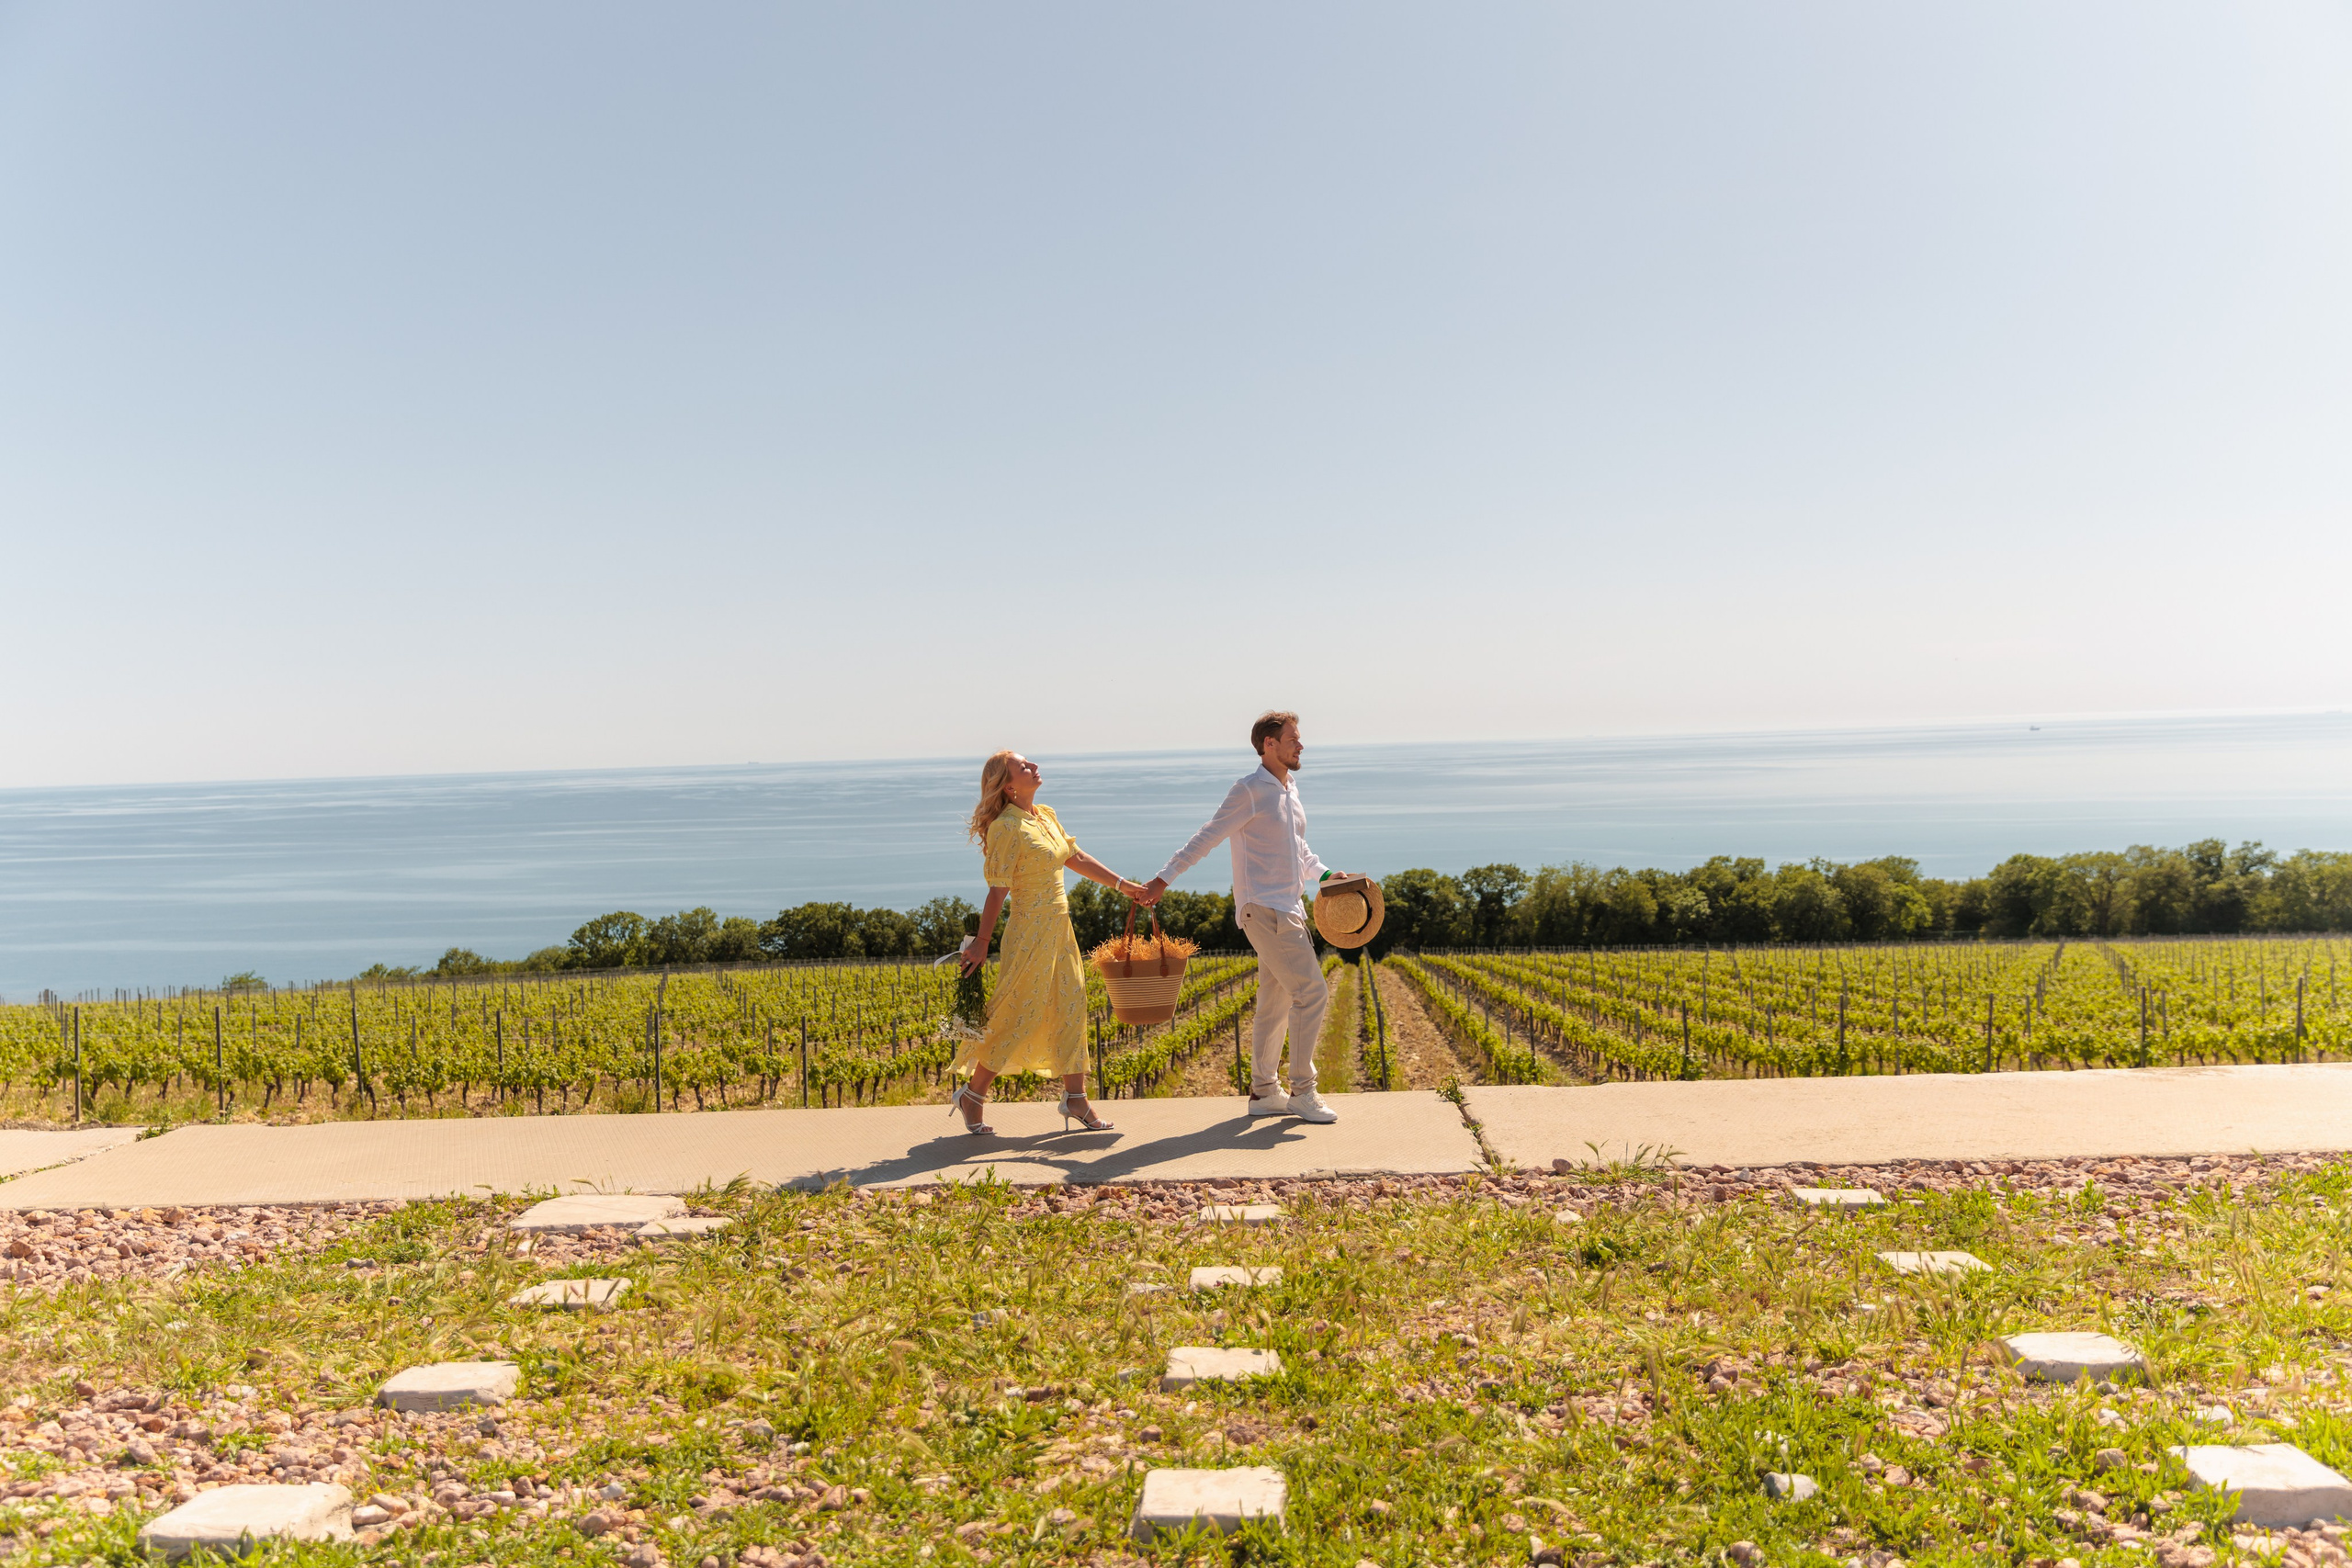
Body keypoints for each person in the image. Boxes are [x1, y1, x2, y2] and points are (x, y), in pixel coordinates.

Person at [1142, 710, 1354, 1124]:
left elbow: (1299, 850)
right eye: (1293, 738)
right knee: (1312, 993)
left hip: (1288, 908)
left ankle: (1263, 1092)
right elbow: (1208, 835)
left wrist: (1326, 876)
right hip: (1264, 908)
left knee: (1275, 1002)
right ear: (1268, 744)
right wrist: (1163, 879)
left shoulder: (1290, 789)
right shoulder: (1250, 790)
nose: (1301, 744)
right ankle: (1303, 1091)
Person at [952, 750, 1143, 1136]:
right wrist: (982, 942)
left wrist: (1125, 886)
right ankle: (973, 1094)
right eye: (1024, 767)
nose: (1034, 768)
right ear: (1008, 785)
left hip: (1061, 928)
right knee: (1018, 1014)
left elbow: (1076, 857)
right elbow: (997, 891)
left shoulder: (1045, 816)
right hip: (1029, 934)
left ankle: (1076, 1098)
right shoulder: (1006, 827)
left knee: (1071, 1006)